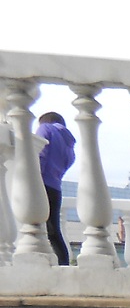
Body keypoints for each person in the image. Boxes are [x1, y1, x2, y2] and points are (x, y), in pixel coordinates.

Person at [36, 112, 75, 266]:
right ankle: (63, 264)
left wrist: (35, 177)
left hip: (42, 183)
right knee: (53, 231)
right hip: (56, 187)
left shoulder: (45, 128)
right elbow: (69, 161)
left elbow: (40, 153)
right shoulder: (68, 141)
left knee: (36, 225)